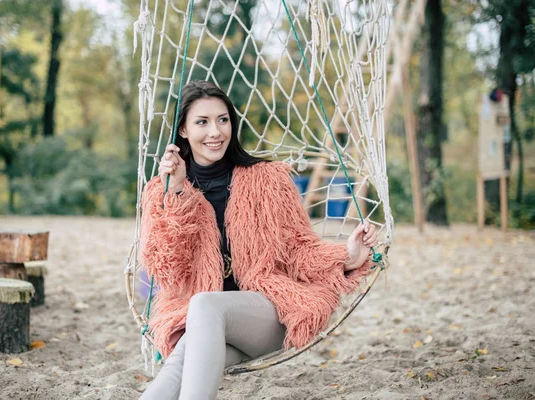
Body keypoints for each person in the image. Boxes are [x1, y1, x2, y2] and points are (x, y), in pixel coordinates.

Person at [139, 80, 378, 400]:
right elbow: (167, 269)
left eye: (223, 120)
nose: (215, 132)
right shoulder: (162, 190)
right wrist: (178, 193)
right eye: (202, 122)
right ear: (182, 130)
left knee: (205, 305)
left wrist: (346, 257)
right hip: (202, 325)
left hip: (268, 313)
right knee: (180, 365)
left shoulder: (268, 179)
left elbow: (298, 247)